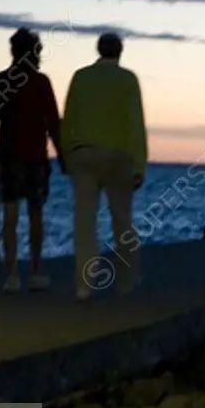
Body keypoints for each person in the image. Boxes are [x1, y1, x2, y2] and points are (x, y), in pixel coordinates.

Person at [62, 32, 148, 301]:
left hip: (84, 153)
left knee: (85, 221)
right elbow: (134, 122)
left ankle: (84, 284)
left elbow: (68, 119)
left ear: (98, 50)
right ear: (120, 52)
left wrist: (66, 155)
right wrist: (140, 165)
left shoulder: (81, 77)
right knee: (122, 218)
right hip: (118, 156)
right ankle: (125, 280)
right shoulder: (128, 80)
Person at [0, 27, 65, 294]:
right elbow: (53, 124)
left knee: (10, 214)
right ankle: (37, 270)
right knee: (36, 213)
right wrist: (62, 156)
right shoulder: (41, 83)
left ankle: (12, 274)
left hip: (7, 155)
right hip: (36, 157)